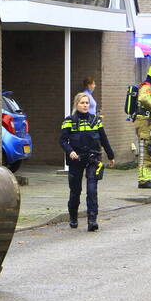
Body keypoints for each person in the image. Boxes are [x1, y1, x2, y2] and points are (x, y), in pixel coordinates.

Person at [59, 92, 115, 232]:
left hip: (93, 158)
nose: (85, 105)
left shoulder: (95, 120)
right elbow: (62, 140)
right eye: (82, 103)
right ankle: (73, 217)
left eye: (87, 103)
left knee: (92, 190)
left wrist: (110, 155)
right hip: (76, 159)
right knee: (75, 191)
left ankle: (92, 220)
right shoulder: (69, 121)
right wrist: (70, 151)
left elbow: (103, 139)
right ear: (76, 104)